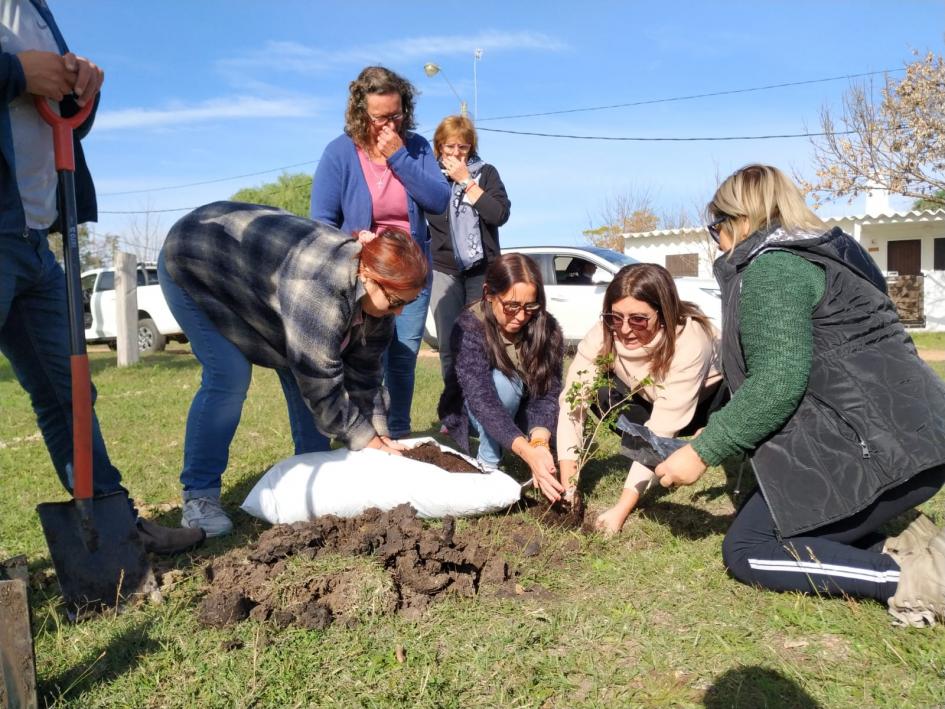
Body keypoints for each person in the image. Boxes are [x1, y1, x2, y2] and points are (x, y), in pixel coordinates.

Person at [654, 164, 945, 626]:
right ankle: (906, 543)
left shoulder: (774, 270)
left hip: (887, 451)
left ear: (740, 220)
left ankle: (914, 581)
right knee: (788, 521)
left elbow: (777, 382)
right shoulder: (822, 252)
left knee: (750, 549)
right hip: (913, 439)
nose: (716, 241)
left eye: (716, 228)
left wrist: (702, 453)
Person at [0, 1, 203, 555]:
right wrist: (18, 73)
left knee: (69, 391)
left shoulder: (35, 10)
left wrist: (85, 90)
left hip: (36, 234)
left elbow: (66, 118)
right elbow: (20, 81)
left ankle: (114, 525)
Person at [159, 201, 428, 537]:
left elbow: (366, 375)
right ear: (368, 277)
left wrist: (380, 435)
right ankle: (200, 498)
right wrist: (366, 440)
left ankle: (310, 490)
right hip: (196, 258)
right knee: (229, 375)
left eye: (409, 302)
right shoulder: (319, 288)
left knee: (299, 367)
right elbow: (320, 384)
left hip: (260, 274)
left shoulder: (378, 301)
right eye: (397, 302)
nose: (400, 313)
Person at [311, 66, 449, 439]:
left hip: (409, 275)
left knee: (402, 358)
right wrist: (356, 239)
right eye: (380, 118)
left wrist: (399, 158)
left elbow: (439, 200)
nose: (390, 126)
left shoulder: (415, 147)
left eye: (397, 115)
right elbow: (320, 222)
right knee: (359, 358)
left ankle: (397, 434)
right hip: (362, 276)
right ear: (360, 113)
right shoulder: (340, 153)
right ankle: (360, 436)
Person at [557, 263, 723, 535]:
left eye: (638, 319)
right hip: (650, 396)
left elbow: (662, 425)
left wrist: (620, 510)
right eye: (615, 317)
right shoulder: (605, 333)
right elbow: (572, 404)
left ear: (663, 313)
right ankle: (655, 461)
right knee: (602, 393)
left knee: (661, 435)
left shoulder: (691, 340)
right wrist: (569, 484)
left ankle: (678, 452)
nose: (624, 330)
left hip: (703, 405)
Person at [439, 253, 565, 502]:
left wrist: (539, 442)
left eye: (530, 307)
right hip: (473, 408)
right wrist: (527, 453)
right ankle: (488, 466)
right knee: (506, 385)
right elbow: (481, 399)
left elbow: (548, 392)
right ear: (488, 293)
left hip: (522, 411)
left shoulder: (547, 329)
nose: (521, 317)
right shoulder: (468, 327)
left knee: (563, 428)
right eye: (511, 306)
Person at [425, 114, 510, 382]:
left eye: (463, 147)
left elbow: (499, 215)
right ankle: (453, 412)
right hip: (443, 270)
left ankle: (482, 405)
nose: (456, 153)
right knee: (449, 344)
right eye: (450, 147)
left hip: (481, 270)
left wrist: (466, 182)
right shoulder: (429, 178)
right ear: (439, 147)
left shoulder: (486, 173)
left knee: (479, 342)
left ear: (471, 147)